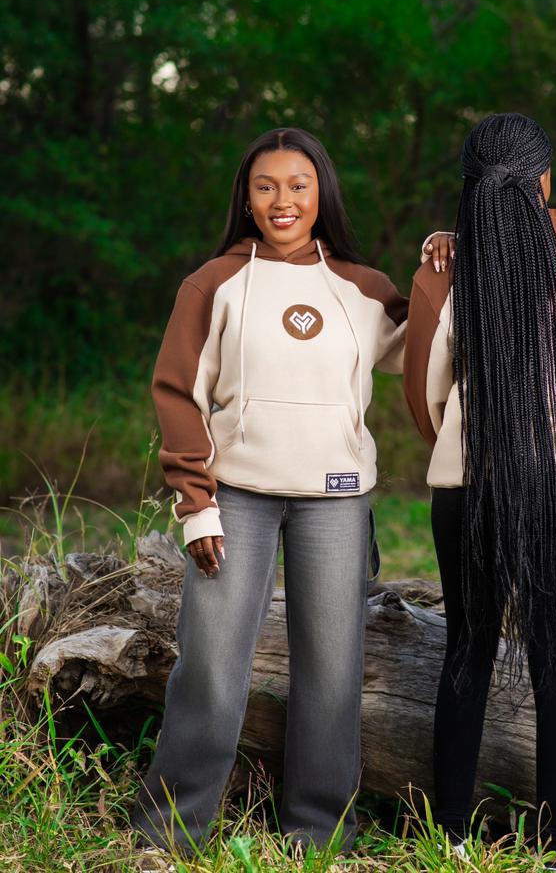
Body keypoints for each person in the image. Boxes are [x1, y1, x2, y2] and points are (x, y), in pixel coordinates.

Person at [132, 126, 417, 857]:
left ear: (322, 194)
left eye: (297, 185)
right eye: (266, 186)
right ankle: (170, 834)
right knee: (211, 664)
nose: (282, 200)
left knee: (332, 671)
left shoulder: (362, 287)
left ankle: (319, 836)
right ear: (247, 198)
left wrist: (440, 266)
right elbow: (178, 393)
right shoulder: (214, 283)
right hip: (236, 498)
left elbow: (424, 351)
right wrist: (196, 503)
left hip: (336, 498)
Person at [404, 113, 556, 872]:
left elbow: (426, 393)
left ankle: (451, 838)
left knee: (467, 651)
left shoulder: (445, 271)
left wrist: (466, 444)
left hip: (475, 483)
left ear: (470, 186)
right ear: (546, 181)